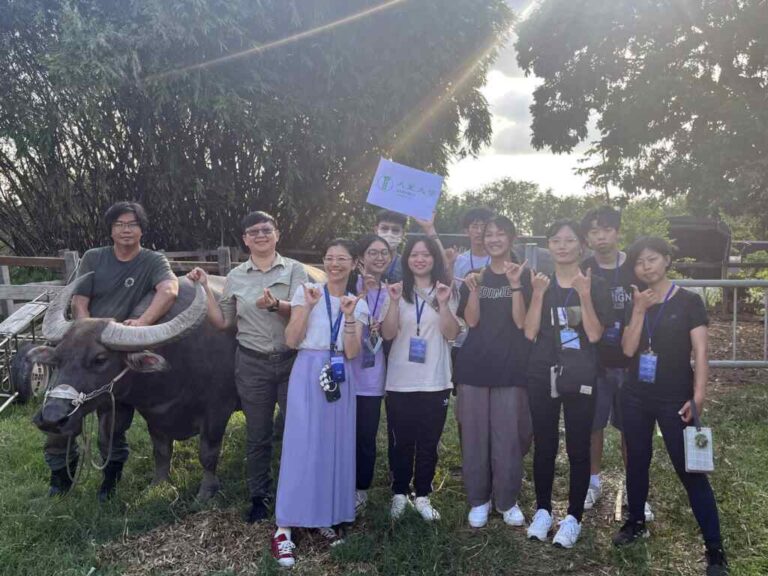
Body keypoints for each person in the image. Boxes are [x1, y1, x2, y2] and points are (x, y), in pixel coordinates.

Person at [45, 201, 178, 499]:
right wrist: (85, 331)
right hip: (82, 348)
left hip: (116, 351)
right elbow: (80, 299)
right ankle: (59, 480)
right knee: (57, 411)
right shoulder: (94, 257)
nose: (126, 229)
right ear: (111, 229)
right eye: (119, 224)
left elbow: (169, 290)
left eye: (132, 224)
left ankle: (110, 479)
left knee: (113, 423)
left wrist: (140, 324)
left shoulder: (153, 260)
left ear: (142, 229)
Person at [613, 237, 728, 576]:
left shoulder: (689, 301)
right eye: (638, 262)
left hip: (676, 398)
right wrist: (638, 310)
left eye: (651, 259)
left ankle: (715, 548)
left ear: (666, 260)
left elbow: (701, 353)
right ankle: (635, 523)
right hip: (635, 395)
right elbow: (627, 350)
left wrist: (699, 396)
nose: (645, 266)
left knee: (692, 470)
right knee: (637, 460)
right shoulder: (636, 301)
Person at [187, 211, 308, 523]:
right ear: (245, 239)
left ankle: (299, 493)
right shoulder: (236, 277)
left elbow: (303, 312)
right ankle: (259, 496)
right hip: (252, 364)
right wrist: (203, 288)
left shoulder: (296, 270)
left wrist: (276, 306)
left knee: (298, 431)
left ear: (277, 234)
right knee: (258, 434)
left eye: (266, 230)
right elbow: (224, 321)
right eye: (253, 232)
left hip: (293, 361)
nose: (260, 235)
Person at [270, 239, 369, 568]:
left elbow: (353, 353)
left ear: (354, 263)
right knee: (300, 444)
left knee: (335, 445)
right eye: (329, 258)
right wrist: (309, 307)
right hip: (307, 370)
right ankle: (285, 525)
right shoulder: (307, 292)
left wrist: (350, 316)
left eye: (342, 258)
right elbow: (291, 340)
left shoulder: (359, 302)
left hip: (340, 373)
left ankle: (326, 515)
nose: (335, 264)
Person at [523, 219, 613, 548]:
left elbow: (593, 334)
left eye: (569, 240)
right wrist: (537, 294)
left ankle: (574, 516)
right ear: (548, 246)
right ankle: (544, 511)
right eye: (556, 240)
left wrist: (585, 295)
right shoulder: (541, 283)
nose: (562, 245)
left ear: (581, 246)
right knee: (544, 444)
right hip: (542, 372)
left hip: (580, 375)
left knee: (578, 447)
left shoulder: (595, 283)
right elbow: (530, 332)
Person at [454, 215, 533, 528]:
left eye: (501, 234)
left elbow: (522, 322)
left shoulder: (526, 276)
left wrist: (515, 286)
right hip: (474, 365)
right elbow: (471, 322)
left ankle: (507, 499)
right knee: (474, 435)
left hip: (511, 366)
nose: (494, 239)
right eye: (489, 234)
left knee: (508, 435)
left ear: (511, 239)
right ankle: (479, 499)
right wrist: (473, 289)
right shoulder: (475, 276)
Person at [579, 206, 654, 521]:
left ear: (618, 232)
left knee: (631, 429)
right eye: (594, 231)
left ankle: (635, 488)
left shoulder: (636, 268)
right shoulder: (584, 269)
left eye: (607, 230)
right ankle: (593, 482)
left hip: (633, 362)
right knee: (593, 426)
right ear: (587, 238)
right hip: (594, 362)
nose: (601, 237)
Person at [381, 236, 460, 522]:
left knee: (428, 441)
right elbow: (388, 334)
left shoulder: (445, 291)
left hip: (435, 379)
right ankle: (399, 493)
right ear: (406, 260)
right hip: (400, 380)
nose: (420, 259)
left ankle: (423, 494)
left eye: (426, 254)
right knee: (401, 440)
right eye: (414, 254)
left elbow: (451, 333)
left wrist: (443, 304)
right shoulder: (397, 291)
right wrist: (391, 303)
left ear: (434, 259)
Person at [350, 234, 391, 512]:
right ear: (360, 258)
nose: (378, 257)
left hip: (372, 378)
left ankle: (361, 490)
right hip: (345, 374)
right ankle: (338, 483)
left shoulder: (393, 291)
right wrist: (362, 295)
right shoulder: (347, 286)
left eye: (383, 253)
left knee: (366, 436)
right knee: (340, 434)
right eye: (372, 252)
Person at [452, 207, 494, 281]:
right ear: (466, 231)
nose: (479, 231)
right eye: (475, 226)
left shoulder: (499, 258)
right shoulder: (460, 260)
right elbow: (457, 289)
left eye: (483, 226)